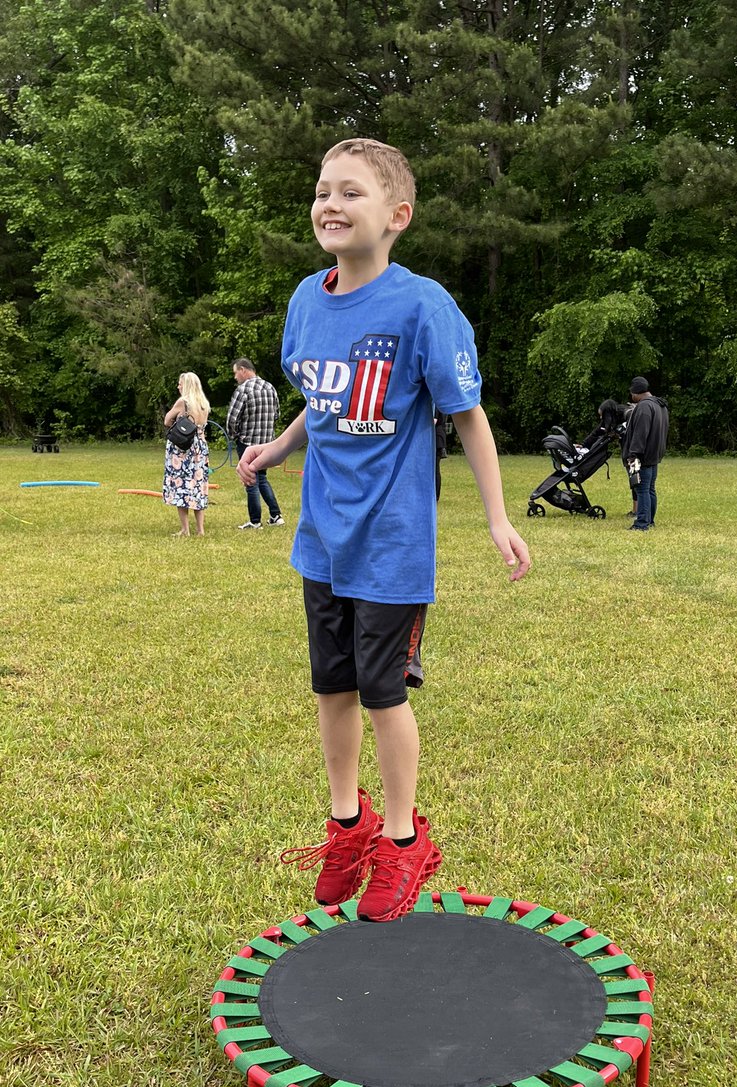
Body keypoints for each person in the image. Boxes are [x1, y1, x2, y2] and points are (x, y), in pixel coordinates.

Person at [237, 138, 530, 922]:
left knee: (381, 691)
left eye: (351, 192)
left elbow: (468, 417)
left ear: (397, 216)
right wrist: (280, 447)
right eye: (322, 190)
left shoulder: (421, 307)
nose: (330, 204)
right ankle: (348, 826)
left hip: (393, 543)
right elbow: (325, 399)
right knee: (330, 686)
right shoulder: (307, 300)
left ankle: (402, 841)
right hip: (321, 538)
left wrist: (498, 517)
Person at [226, 358, 284, 529]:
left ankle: (255, 521)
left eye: (235, 373)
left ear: (243, 370)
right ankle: (276, 515)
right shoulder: (270, 387)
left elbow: (232, 419)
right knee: (262, 477)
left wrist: (234, 436)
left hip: (247, 442)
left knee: (250, 480)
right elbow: (277, 414)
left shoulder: (243, 390)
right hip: (267, 444)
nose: (235, 377)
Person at [162, 372, 210, 537]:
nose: (178, 386)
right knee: (198, 486)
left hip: (183, 448)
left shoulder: (183, 402)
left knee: (181, 485)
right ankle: (200, 529)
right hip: (200, 447)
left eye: (180, 384)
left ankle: (185, 529)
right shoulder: (203, 404)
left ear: (187, 385)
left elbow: (167, 420)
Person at [621, 376, 669, 531]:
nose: (631, 396)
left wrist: (633, 454)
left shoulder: (644, 407)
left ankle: (642, 523)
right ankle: (650, 520)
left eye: (631, 393)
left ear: (636, 392)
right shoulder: (660, 405)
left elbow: (641, 433)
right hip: (655, 454)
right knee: (650, 489)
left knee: (641, 489)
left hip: (643, 456)